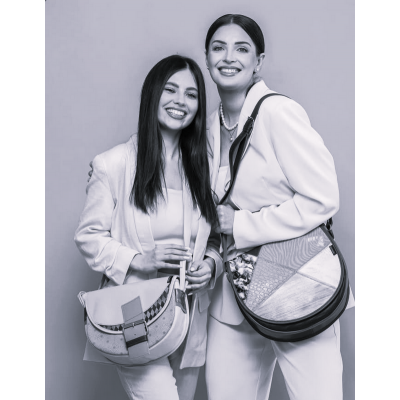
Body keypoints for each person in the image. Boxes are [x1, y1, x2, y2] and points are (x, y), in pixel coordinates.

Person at [203, 14, 355, 400]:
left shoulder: (277, 113)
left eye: (241, 49)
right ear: (207, 58)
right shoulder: (206, 129)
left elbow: (323, 197)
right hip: (233, 297)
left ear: (258, 61)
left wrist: (241, 224)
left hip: (294, 284)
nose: (229, 57)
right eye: (219, 47)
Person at [74, 55, 222, 400]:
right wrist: (139, 259)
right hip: (135, 312)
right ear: (152, 94)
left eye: (191, 94)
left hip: (189, 314)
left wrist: (211, 265)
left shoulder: (204, 167)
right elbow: (88, 237)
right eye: (170, 90)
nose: (180, 101)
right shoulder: (113, 164)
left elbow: (216, 235)